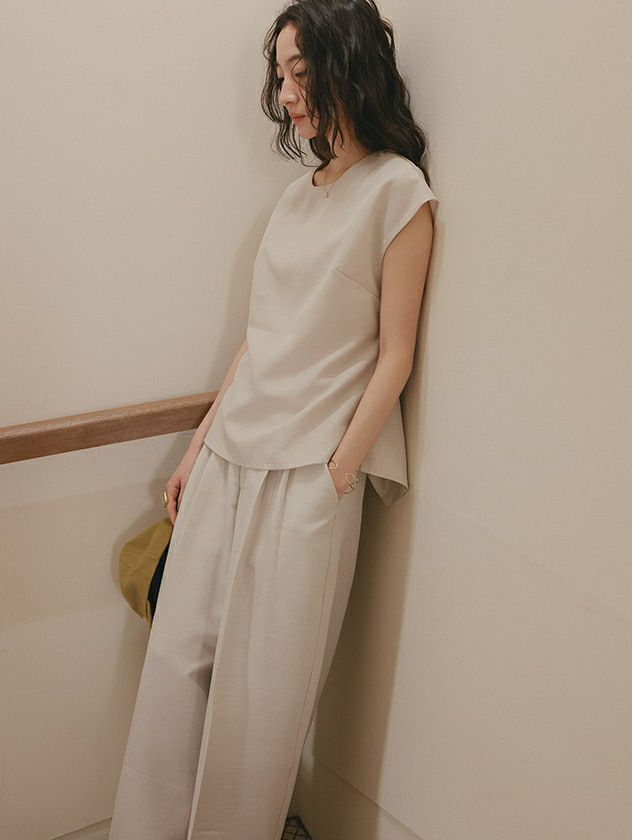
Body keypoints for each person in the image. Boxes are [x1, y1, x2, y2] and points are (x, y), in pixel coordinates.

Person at [108, 1, 438, 838]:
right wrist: (198, 448)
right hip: (230, 459)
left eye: (301, 72)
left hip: (307, 479)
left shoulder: (398, 192)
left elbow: (396, 354)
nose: (287, 94)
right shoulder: (294, 201)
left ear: (346, 67)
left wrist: (339, 472)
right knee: (177, 669)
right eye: (281, 75)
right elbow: (258, 343)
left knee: (262, 705)